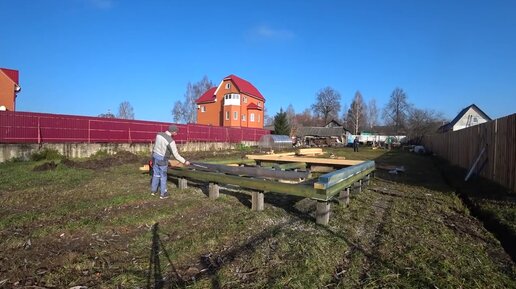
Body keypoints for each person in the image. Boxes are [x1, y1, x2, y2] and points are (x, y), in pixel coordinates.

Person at [151, 124, 190, 199]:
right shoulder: (171, 141)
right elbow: (176, 155)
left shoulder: (159, 134)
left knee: (156, 174)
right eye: (176, 132)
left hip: (155, 157)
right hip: (163, 159)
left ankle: (153, 191)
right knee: (163, 176)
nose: (177, 134)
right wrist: (185, 161)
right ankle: (163, 194)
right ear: (173, 132)